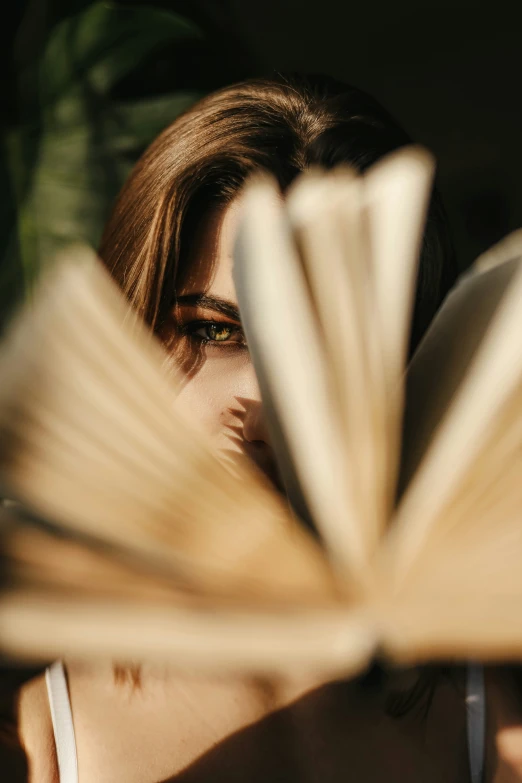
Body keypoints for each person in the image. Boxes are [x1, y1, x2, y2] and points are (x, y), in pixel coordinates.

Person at [11, 73, 522, 782]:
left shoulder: (489, 692)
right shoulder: (31, 707)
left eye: (324, 353)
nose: (263, 401)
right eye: (215, 329)